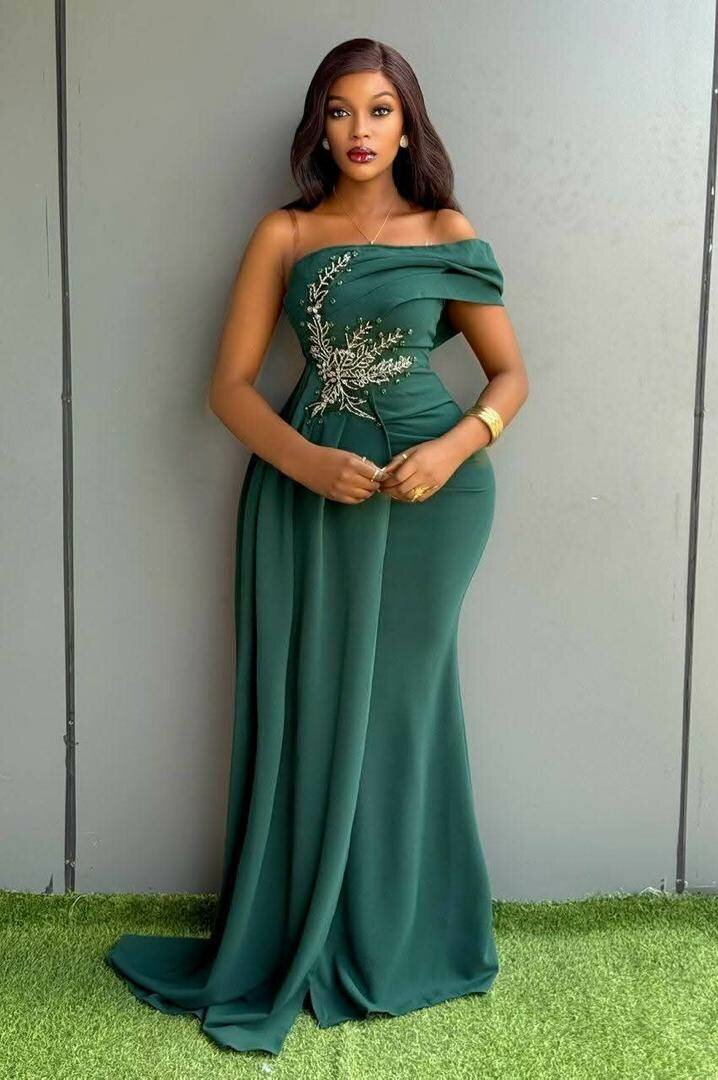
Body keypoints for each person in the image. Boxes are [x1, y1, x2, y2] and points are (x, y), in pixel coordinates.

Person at [106, 36, 529, 1057]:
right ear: (318, 126)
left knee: (403, 711)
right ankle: (304, 930)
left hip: (435, 502)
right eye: (341, 111)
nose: (360, 130)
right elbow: (228, 388)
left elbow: (511, 377)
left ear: (408, 125)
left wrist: (455, 447)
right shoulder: (285, 233)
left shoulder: (446, 231)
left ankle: (399, 937)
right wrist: (304, 464)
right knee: (312, 703)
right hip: (306, 493)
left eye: (380, 110)